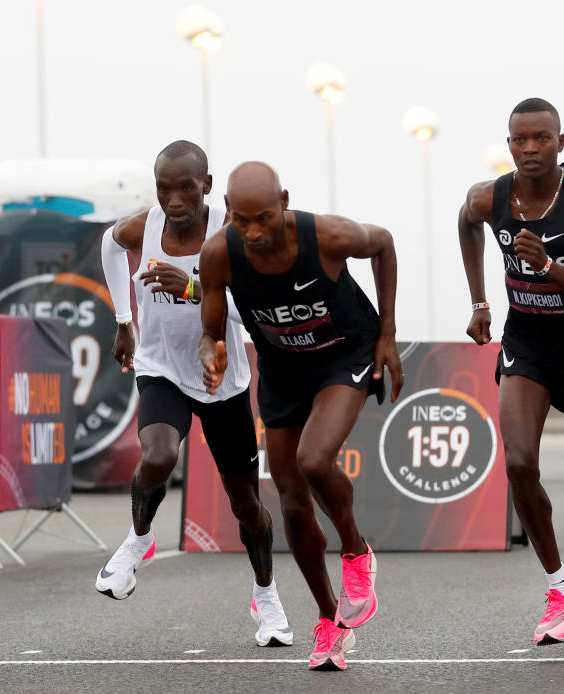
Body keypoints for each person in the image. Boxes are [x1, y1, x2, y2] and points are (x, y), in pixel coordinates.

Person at [199, 161, 403, 671]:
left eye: (263, 218)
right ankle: (329, 621)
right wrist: (212, 350)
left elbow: (384, 243)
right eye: (241, 220)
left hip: (344, 354)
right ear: (227, 212)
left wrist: (387, 334)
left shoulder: (329, 236)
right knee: (291, 499)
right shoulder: (220, 253)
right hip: (283, 368)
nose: (253, 232)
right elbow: (211, 325)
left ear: (284, 202)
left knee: (315, 461)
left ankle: (356, 551)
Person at [97, 140, 292, 648]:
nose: (174, 200)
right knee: (158, 455)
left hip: (220, 378)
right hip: (160, 367)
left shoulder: (231, 238)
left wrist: (190, 288)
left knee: (246, 504)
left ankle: (267, 596)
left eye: (185, 188)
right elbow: (110, 244)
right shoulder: (147, 226)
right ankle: (139, 541)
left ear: (207, 186)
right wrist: (124, 320)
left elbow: (246, 313)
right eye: (164, 188)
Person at [458, 98, 564, 645]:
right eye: (519, 140)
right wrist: (480, 302)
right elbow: (466, 222)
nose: (530, 149)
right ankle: (558, 588)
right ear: (508, 145)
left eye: (541, 139)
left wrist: (549, 267)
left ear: (561, 142)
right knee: (521, 462)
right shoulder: (491, 196)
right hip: (526, 344)